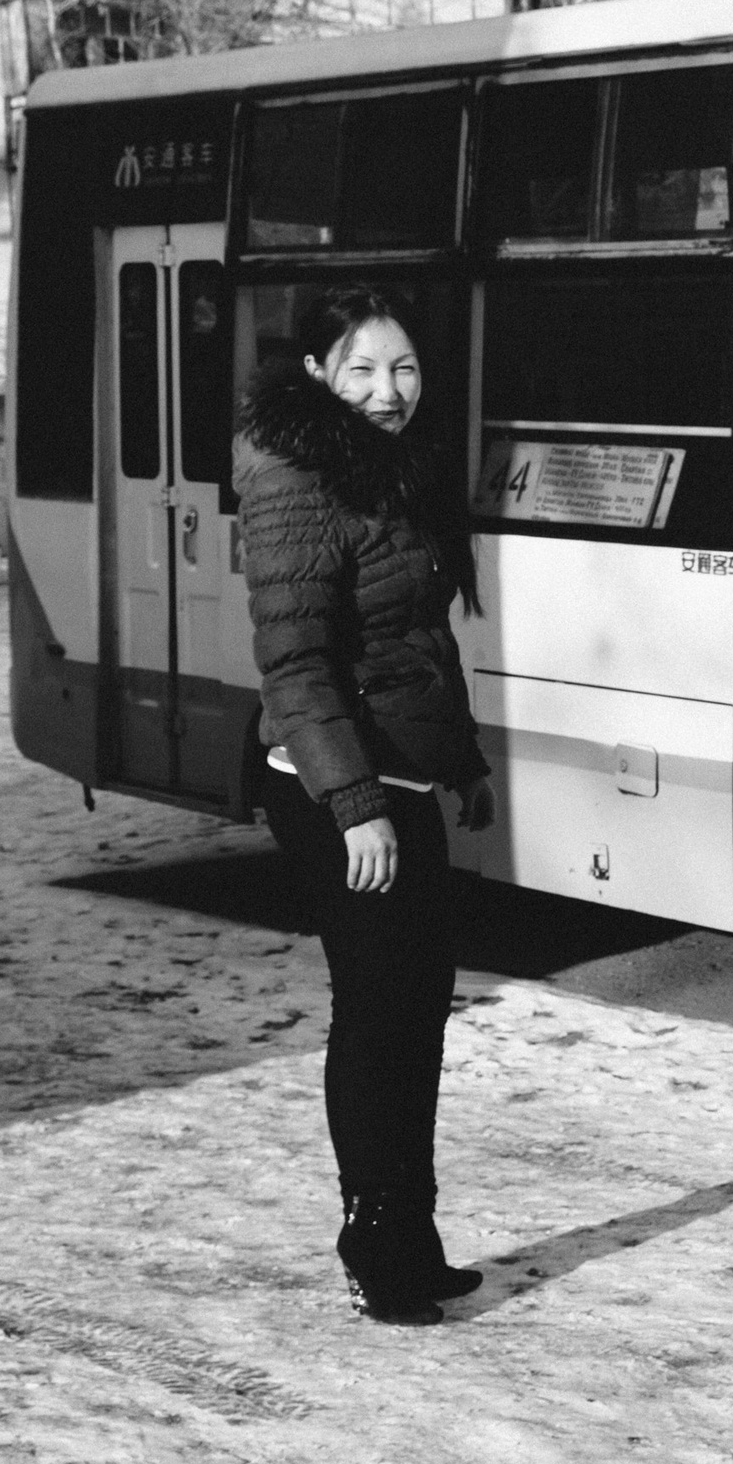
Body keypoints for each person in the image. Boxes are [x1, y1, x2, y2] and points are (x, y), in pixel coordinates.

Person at [235, 285, 495, 1327]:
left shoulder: (393, 467)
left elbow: (419, 644)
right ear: (316, 376)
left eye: (404, 370)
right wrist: (355, 807)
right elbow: (295, 663)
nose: (389, 393)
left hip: (401, 773)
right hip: (332, 785)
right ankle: (374, 1237)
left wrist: (460, 764)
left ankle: (413, 1234)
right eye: (362, 372)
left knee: (418, 1008)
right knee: (379, 1012)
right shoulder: (294, 476)